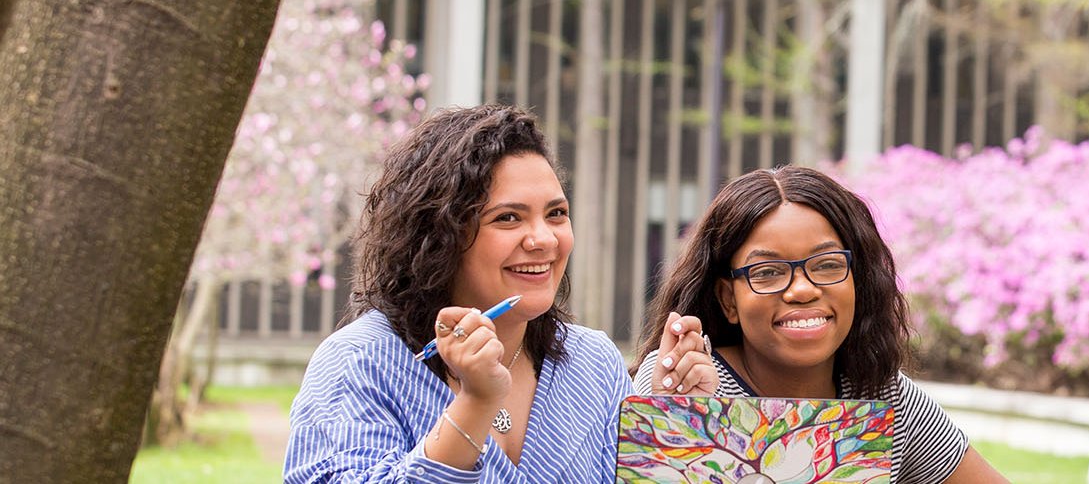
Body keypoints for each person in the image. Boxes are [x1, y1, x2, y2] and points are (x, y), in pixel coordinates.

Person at [287, 105, 633, 482]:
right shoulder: (361, 362)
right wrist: (475, 404)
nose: (544, 240)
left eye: (556, 213)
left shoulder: (593, 364)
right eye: (508, 218)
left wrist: (674, 418)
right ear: (440, 236)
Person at [633, 166, 1009, 484]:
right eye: (767, 272)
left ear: (856, 281)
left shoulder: (883, 393)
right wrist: (683, 418)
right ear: (729, 299)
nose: (802, 289)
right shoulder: (680, 379)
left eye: (827, 264)